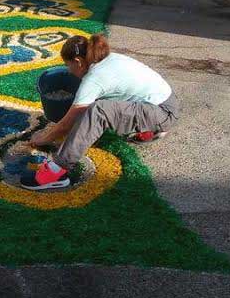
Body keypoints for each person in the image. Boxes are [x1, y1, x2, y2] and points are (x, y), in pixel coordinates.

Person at [22, 35, 179, 191]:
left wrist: (42, 139)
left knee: (98, 110)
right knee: (96, 104)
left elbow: (66, 124)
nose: (69, 71)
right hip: (163, 102)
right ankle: (148, 131)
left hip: (162, 112)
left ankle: (57, 169)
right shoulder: (107, 59)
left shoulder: (94, 78)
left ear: (78, 61)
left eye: (68, 65)